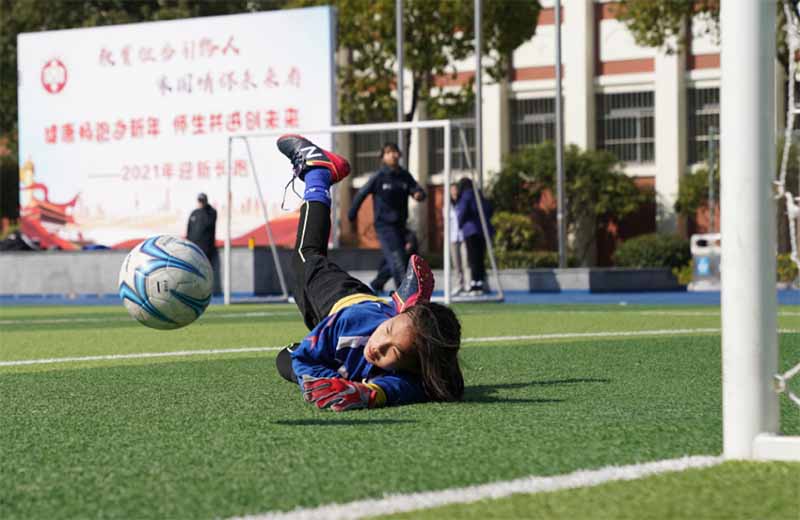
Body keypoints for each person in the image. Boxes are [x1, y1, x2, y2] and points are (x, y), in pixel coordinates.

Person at [273, 134, 463, 411]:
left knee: (284, 356)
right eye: (386, 333)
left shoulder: (412, 373)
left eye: (391, 353)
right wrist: (330, 381)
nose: (378, 346)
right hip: (341, 302)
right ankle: (317, 171)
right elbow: (304, 360)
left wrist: (367, 392)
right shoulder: (349, 325)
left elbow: (415, 387)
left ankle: (397, 305)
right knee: (307, 255)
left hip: (372, 300)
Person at [348, 142, 426, 292]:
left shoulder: (404, 176)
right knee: (398, 259)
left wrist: (419, 194)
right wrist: (352, 214)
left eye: (395, 152)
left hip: (401, 226)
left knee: (410, 250)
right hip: (384, 226)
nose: (393, 155)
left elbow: (417, 189)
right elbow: (361, 194)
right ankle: (404, 293)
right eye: (389, 152)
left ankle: (377, 283)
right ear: (383, 157)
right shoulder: (379, 177)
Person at [455, 177, 493, 295]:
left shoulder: (466, 196)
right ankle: (480, 282)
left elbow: (462, 211)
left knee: (473, 258)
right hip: (483, 230)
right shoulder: (479, 195)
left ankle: (475, 284)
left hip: (470, 230)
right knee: (480, 257)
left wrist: (460, 223)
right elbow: (489, 209)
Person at [187, 193, 221, 295]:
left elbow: (209, 224)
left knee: (205, 271)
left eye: (203, 201)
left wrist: (206, 209)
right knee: (193, 271)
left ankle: (206, 292)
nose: (201, 203)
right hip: (193, 248)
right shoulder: (194, 213)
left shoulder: (211, 212)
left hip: (206, 248)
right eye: (200, 201)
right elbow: (189, 229)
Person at [370, 228, 419, 294]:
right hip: (399, 255)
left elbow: (410, 247)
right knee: (392, 267)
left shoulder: (407, 235)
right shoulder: (394, 234)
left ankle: (377, 284)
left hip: (404, 256)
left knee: (393, 267)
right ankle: (377, 284)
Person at [449, 183, 469, 296]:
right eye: (452, 189)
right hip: (453, 237)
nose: (454, 191)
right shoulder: (448, 205)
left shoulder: (462, 203)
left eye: (455, 189)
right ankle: (459, 285)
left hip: (463, 237)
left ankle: (467, 285)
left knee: (466, 262)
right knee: (456, 263)